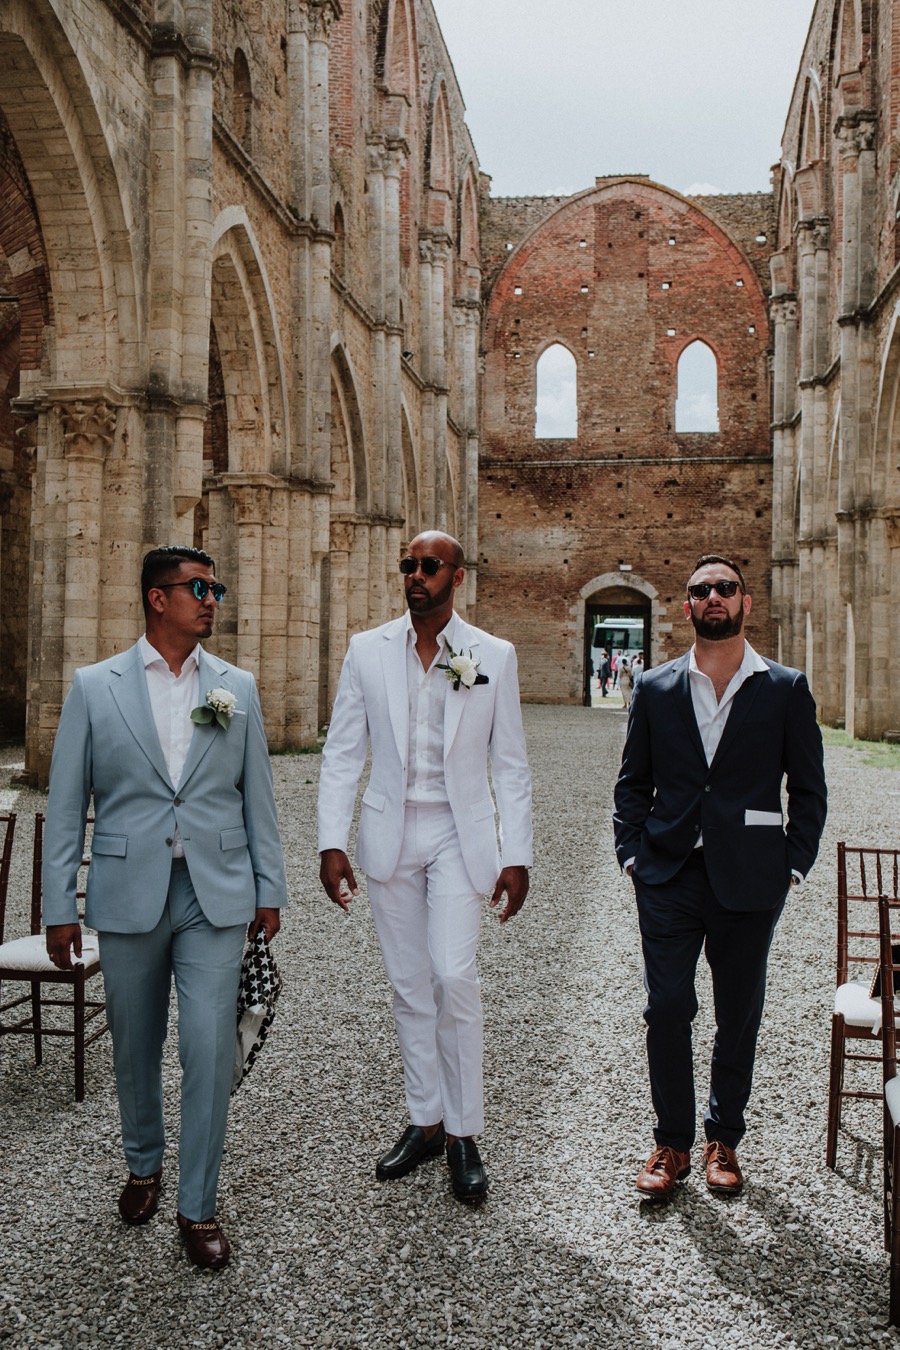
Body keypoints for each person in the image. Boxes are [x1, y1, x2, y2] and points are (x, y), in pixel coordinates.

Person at [42, 546, 288, 1269]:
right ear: (158, 598)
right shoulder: (95, 686)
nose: (213, 601)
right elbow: (66, 806)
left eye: (216, 589)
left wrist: (269, 888)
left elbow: (258, 796)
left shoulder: (237, 687)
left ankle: (197, 1204)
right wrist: (60, 906)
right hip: (127, 890)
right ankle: (142, 1164)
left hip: (216, 892)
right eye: (200, 589)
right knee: (134, 1043)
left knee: (208, 1049)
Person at [317, 530, 532, 1202]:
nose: (416, 575)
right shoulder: (366, 650)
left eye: (429, 566)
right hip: (390, 830)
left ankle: (465, 1132)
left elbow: (510, 763)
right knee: (410, 986)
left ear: (457, 577)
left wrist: (517, 853)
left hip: (458, 834)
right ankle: (427, 1120)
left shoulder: (492, 653)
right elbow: (343, 752)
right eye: (408, 564)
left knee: (453, 975)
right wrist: (331, 841)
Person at [613, 553, 826, 1199]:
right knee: (667, 1008)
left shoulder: (785, 687)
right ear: (687, 607)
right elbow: (632, 783)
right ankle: (671, 1144)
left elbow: (808, 789)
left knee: (738, 1014)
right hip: (668, 872)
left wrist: (792, 864)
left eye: (726, 588)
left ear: (744, 603)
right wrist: (632, 855)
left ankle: (723, 1138)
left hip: (752, 876)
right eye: (702, 590)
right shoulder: (655, 687)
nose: (714, 597)